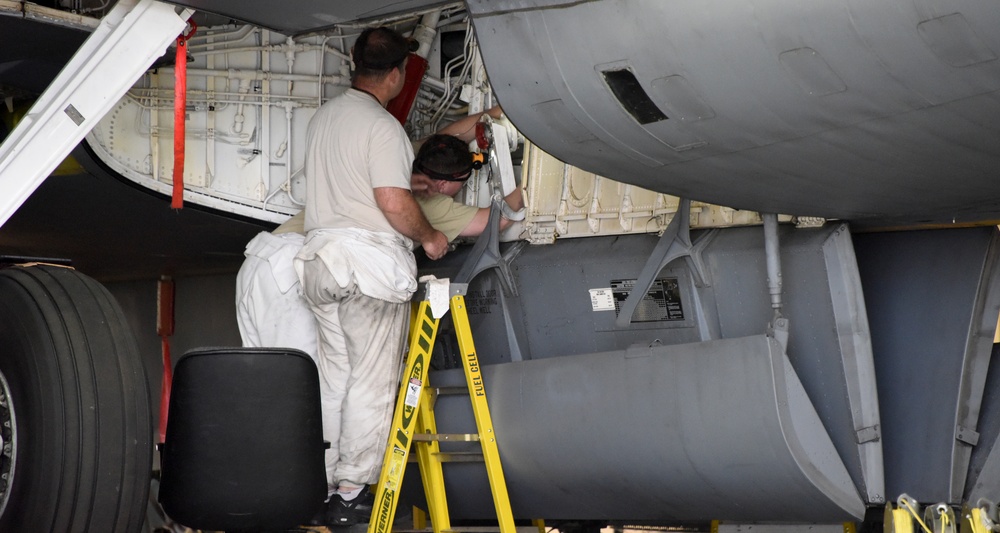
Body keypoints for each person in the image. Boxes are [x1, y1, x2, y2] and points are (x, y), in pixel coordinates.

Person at [293, 26, 449, 527]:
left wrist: (405, 181)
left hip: (320, 262)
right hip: (366, 269)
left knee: (335, 378)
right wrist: (428, 236)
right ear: (399, 74)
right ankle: (353, 491)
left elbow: (349, 183)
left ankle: (324, 482)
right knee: (373, 384)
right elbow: (391, 202)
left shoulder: (326, 118)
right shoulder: (383, 128)